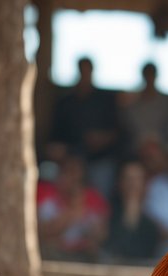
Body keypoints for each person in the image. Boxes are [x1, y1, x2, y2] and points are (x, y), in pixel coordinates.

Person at [51, 57, 121, 195]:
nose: (85, 73)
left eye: (87, 70)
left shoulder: (105, 100)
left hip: (99, 159)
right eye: (82, 70)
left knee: (102, 180)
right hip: (70, 159)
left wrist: (102, 139)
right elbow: (55, 137)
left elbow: (117, 132)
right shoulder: (66, 102)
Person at [39, 154, 110, 261]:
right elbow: (42, 232)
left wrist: (92, 234)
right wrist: (72, 214)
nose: (73, 179)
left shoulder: (94, 199)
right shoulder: (48, 198)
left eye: (77, 174)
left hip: (83, 255)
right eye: (69, 173)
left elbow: (101, 235)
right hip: (55, 254)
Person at [103, 160, 160, 264]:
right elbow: (115, 251)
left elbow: (142, 255)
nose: (133, 184)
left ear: (144, 185)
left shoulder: (151, 225)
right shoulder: (106, 216)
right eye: (128, 179)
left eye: (137, 179)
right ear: (119, 183)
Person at [121, 63, 168, 144]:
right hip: (137, 144)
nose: (149, 78)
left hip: (163, 143)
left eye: (151, 74)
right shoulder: (132, 102)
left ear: (156, 76)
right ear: (143, 75)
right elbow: (130, 127)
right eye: (147, 75)